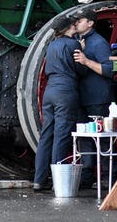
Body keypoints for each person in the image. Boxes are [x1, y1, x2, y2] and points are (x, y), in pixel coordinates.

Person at [32, 15, 83, 191]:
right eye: (73, 24)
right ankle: (57, 182)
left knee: (46, 135)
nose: (76, 25)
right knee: (61, 135)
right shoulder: (73, 44)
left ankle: (38, 180)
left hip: (50, 91)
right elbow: (81, 69)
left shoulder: (52, 45)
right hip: (65, 90)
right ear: (69, 27)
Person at [70, 8, 115, 188]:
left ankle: (109, 177)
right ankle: (87, 177)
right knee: (84, 139)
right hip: (82, 98)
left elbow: (110, 70)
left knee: (103, 139)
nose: (76, 23)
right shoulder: (78, 41)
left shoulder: (99, 42)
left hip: (98, 98)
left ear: (90, 23)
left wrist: (86, 61)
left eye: (80, 20)